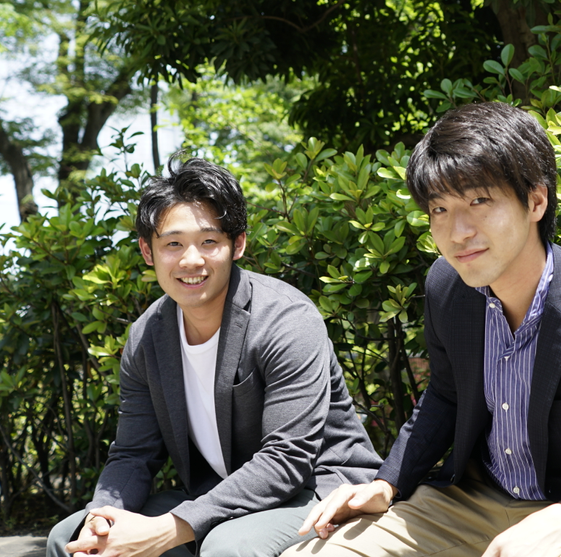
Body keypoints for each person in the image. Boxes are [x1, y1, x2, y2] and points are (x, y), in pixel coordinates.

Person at [286, 102, 561, 557]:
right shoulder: (447, 286)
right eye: (439, 208)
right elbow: (447, 395)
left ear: (536, 201)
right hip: (473, 499)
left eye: (479, 201)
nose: (457, 232)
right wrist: (387, 482)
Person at [47, 157, 382, 557]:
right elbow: (134, 453)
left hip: (318, 489)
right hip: (219, 493)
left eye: (209, 242)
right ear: (147, 251)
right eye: (173, 243)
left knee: (227, 548)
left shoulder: (286, 320)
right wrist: (103, 515)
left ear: (237, 244)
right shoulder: (147, 336)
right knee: (71, 537)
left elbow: (287, 458)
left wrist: (175, 526)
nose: (191, 260)